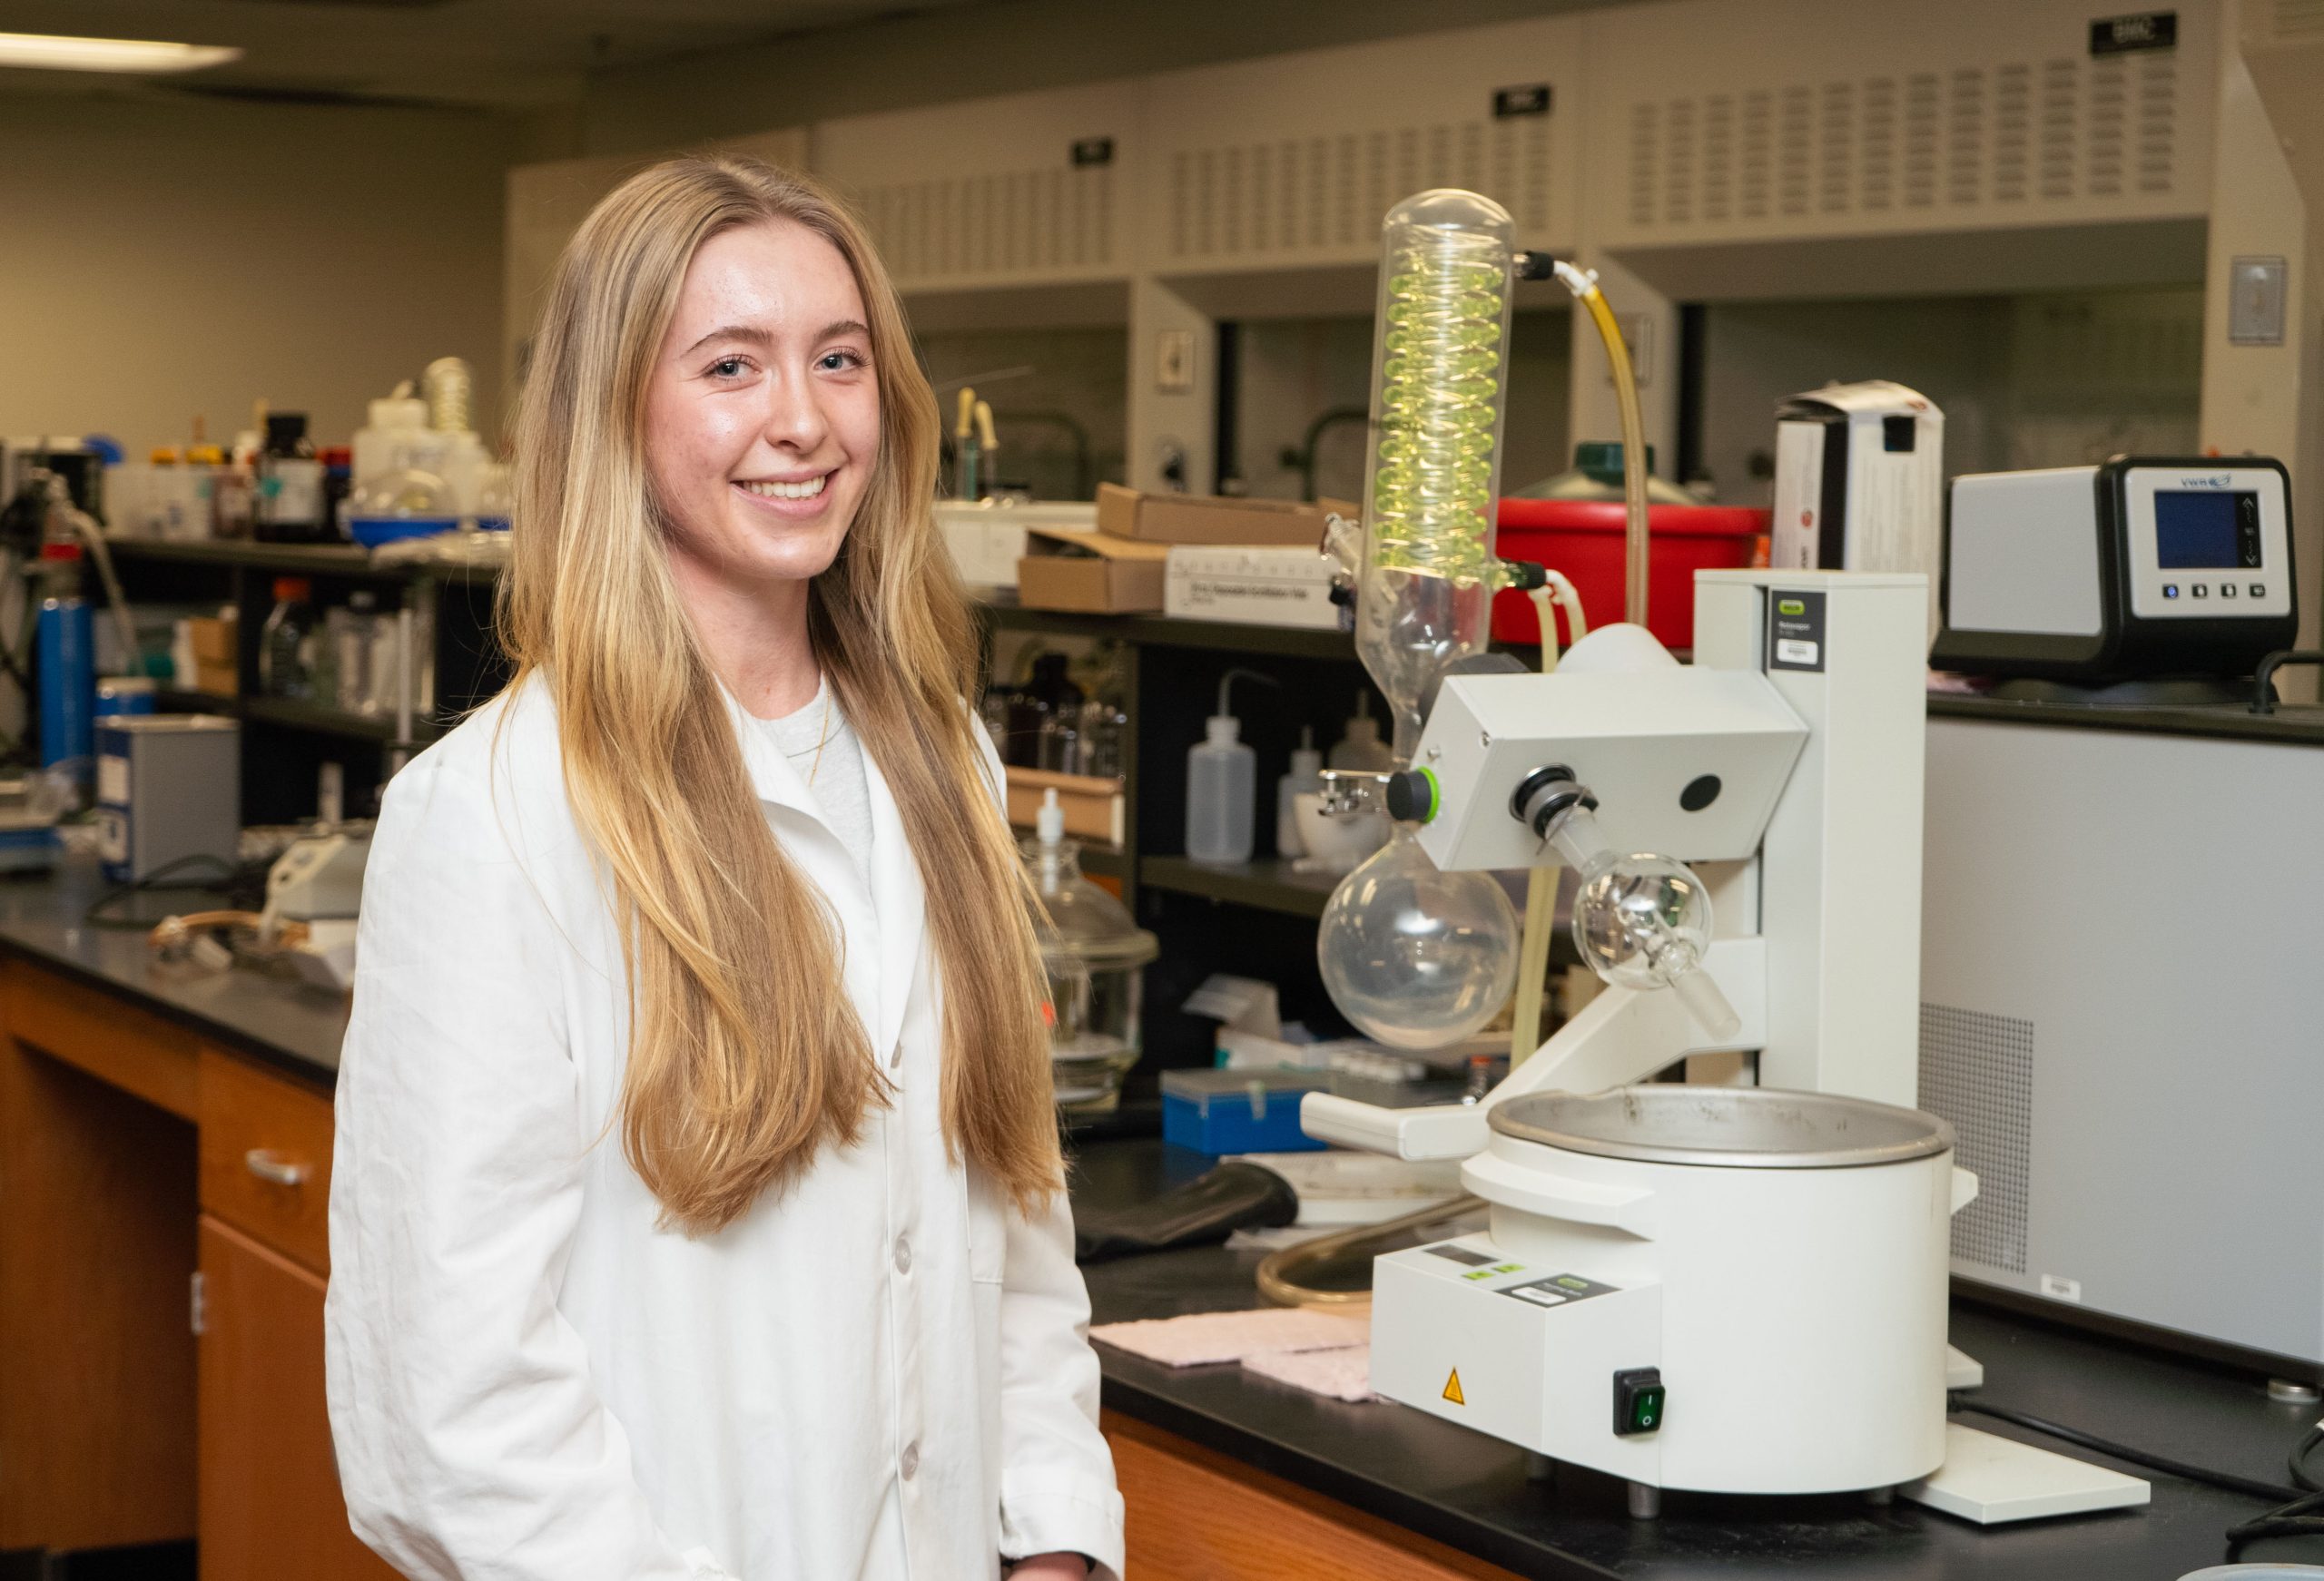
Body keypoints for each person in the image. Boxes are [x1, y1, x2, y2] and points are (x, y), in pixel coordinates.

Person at [324, 155, 1123, 1580]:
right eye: (732, 367)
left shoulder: (949, 766)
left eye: (839, 360)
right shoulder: (497, 814)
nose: (804, 420)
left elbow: (1015, 1226)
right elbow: (446, 1399)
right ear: (613, 411)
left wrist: (1054, 1543)